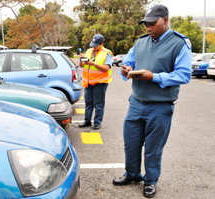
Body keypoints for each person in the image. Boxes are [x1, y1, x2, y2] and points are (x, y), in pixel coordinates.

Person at [112, 4, 192, 198]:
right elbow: (128, 63)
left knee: (153, 148)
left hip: (160, 106)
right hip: (136, 103)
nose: (148, 28)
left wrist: (153, 77)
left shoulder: (179, 43)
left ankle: (150, 181)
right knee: (130, 143)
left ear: (165, 20)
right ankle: (132, 175)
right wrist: (125, 70)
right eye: (145, 24)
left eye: (152, 24)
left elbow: (184, 75)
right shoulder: (140, 43)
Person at [78, 34, 113, 130]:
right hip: (88, 82)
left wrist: (93, 64)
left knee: (98, 103)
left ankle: (97, 122)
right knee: (88, 103)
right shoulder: (89, 51)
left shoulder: (107, 53)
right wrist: (81, 59)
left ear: (101, 44)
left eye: (95, 45)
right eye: (92, 44)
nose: (93, 47)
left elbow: (106, 68)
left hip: (100, 82)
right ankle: (87, 121)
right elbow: (81, 66)